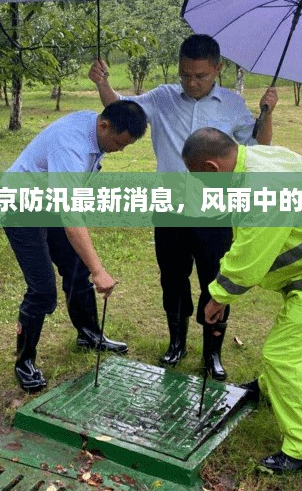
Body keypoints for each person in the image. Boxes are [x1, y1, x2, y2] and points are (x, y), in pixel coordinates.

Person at [183, 127, 302, 473]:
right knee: (287, 342)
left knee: (283, 355)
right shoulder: (264, 156)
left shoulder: (261, 191)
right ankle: (270, 388)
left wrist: (216, 297)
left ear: (213, 168)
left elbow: (248, 261)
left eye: (200, 179)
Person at [88, 34, 278, 378]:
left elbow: (259, 145)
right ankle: (176, 343)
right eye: (185, 74)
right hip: (170, 209)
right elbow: (119, 107)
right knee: (173, 281)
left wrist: (267, 113)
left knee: (214, 283)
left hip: (215, 211)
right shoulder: (162, 98)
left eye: (201, 76)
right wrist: (103, 83)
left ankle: (212, 353)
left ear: (217, 69)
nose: (192, 82)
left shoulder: (233, 104)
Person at [4, 101, 148, 392]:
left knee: (76, 268)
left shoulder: (94, 126)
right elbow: (71, 217)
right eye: (119, 143)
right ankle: (24, 362)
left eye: (126, 146)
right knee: (43, 289)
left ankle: (89, 335)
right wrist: (100, 271)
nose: (120, 150)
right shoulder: (70, 146)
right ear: (105, 126)